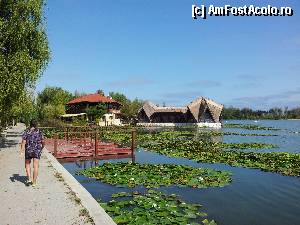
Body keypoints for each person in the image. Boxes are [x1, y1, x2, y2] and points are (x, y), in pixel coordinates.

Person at [20, 120, 45, 187]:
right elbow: (43, 141)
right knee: (36, 166)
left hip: (28, 150)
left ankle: (29, 179)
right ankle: (34, 183)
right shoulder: (39, 132)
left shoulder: (26, 131)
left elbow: (23, 142)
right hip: (37, 150)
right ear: (36, 124)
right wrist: (42, 147)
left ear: (30, 124)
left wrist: (21, 151)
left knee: (27, 164)